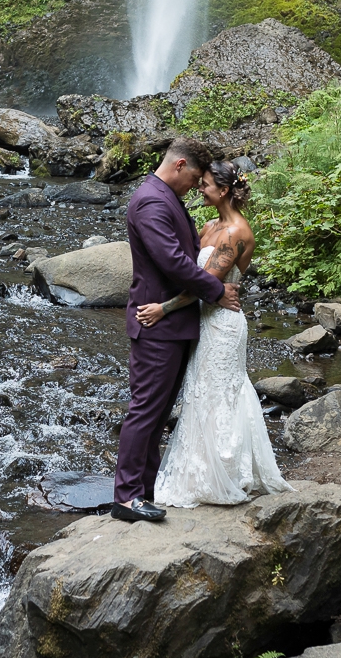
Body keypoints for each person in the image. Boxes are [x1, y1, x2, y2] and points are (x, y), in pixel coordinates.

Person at [138, 160, 293, 508]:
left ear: (223, 191)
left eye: (205, 184)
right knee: (198, 394)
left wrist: (162, 309)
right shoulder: (208, 226)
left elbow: (205, 285)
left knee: (219, 394)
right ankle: (196, 471)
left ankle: (226, 472)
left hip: (222, 325)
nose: (199, 188)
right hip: (202, 321)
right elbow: (185, 269)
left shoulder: (237, 233)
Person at [113, 138, 241, 523]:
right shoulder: (152, 200)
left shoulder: (164, 196)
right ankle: (127, 498)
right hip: (157, 325)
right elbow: (172, 262)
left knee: (157, 413)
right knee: (145, 412)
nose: (196, 187)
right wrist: (216, 290)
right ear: (180, 164)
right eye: (195, 178)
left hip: (173, 324)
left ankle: (143, 492)